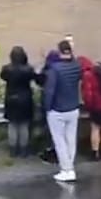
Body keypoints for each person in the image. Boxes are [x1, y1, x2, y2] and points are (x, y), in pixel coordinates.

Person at [43, 40, 81, 182]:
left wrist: (47, 107)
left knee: (60, 141)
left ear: (58, 51)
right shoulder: (77, 66)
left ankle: (67, 170)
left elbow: (50, 91)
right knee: (71, 140)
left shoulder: (55, 69)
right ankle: (70, 167)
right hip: (73, 108)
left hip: (57, 110)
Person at [0, 46, 38, 157]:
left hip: (11, 99)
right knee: (24, 125)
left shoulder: (7, 69)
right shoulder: (29, 69)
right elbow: (35, 78)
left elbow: (2, 77)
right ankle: (23, 149)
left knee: (12, 125)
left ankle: (13, 150)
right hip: (25, 99)